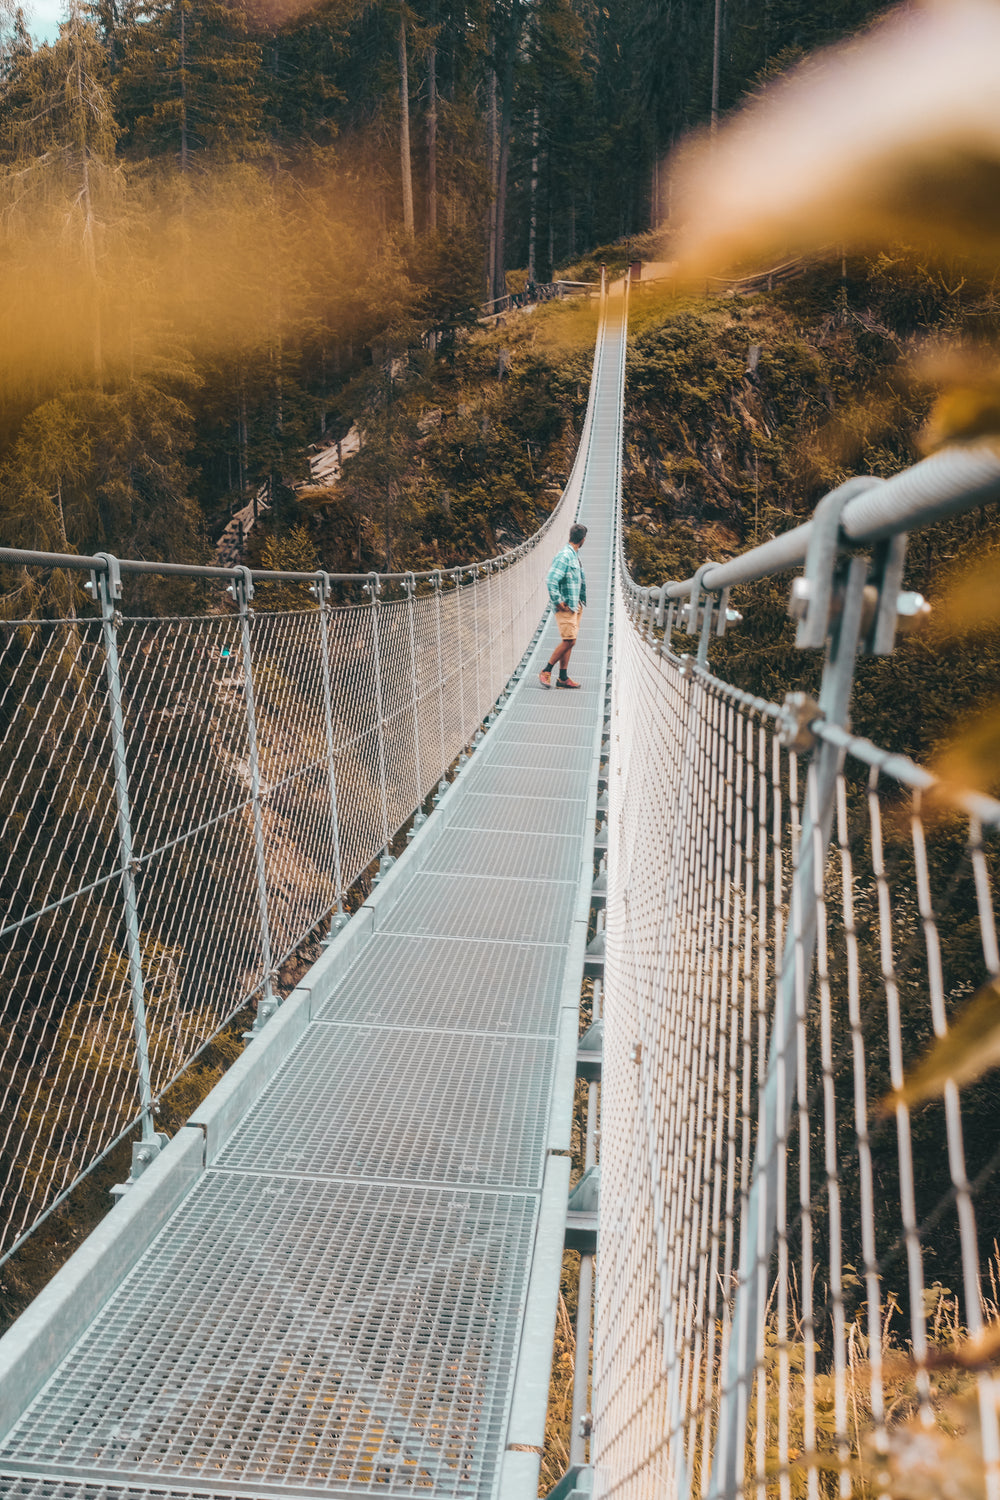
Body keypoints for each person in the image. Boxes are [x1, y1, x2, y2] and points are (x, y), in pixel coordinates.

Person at [540, 523, 587, 688]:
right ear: (583, 539)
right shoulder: (565, 556)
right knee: (569, 640)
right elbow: (551, 579)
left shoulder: (574, 554)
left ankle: (563, 678)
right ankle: (546, 670)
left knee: (569, 641)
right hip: (566, 605)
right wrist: (558, 601)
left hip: (575, 604)